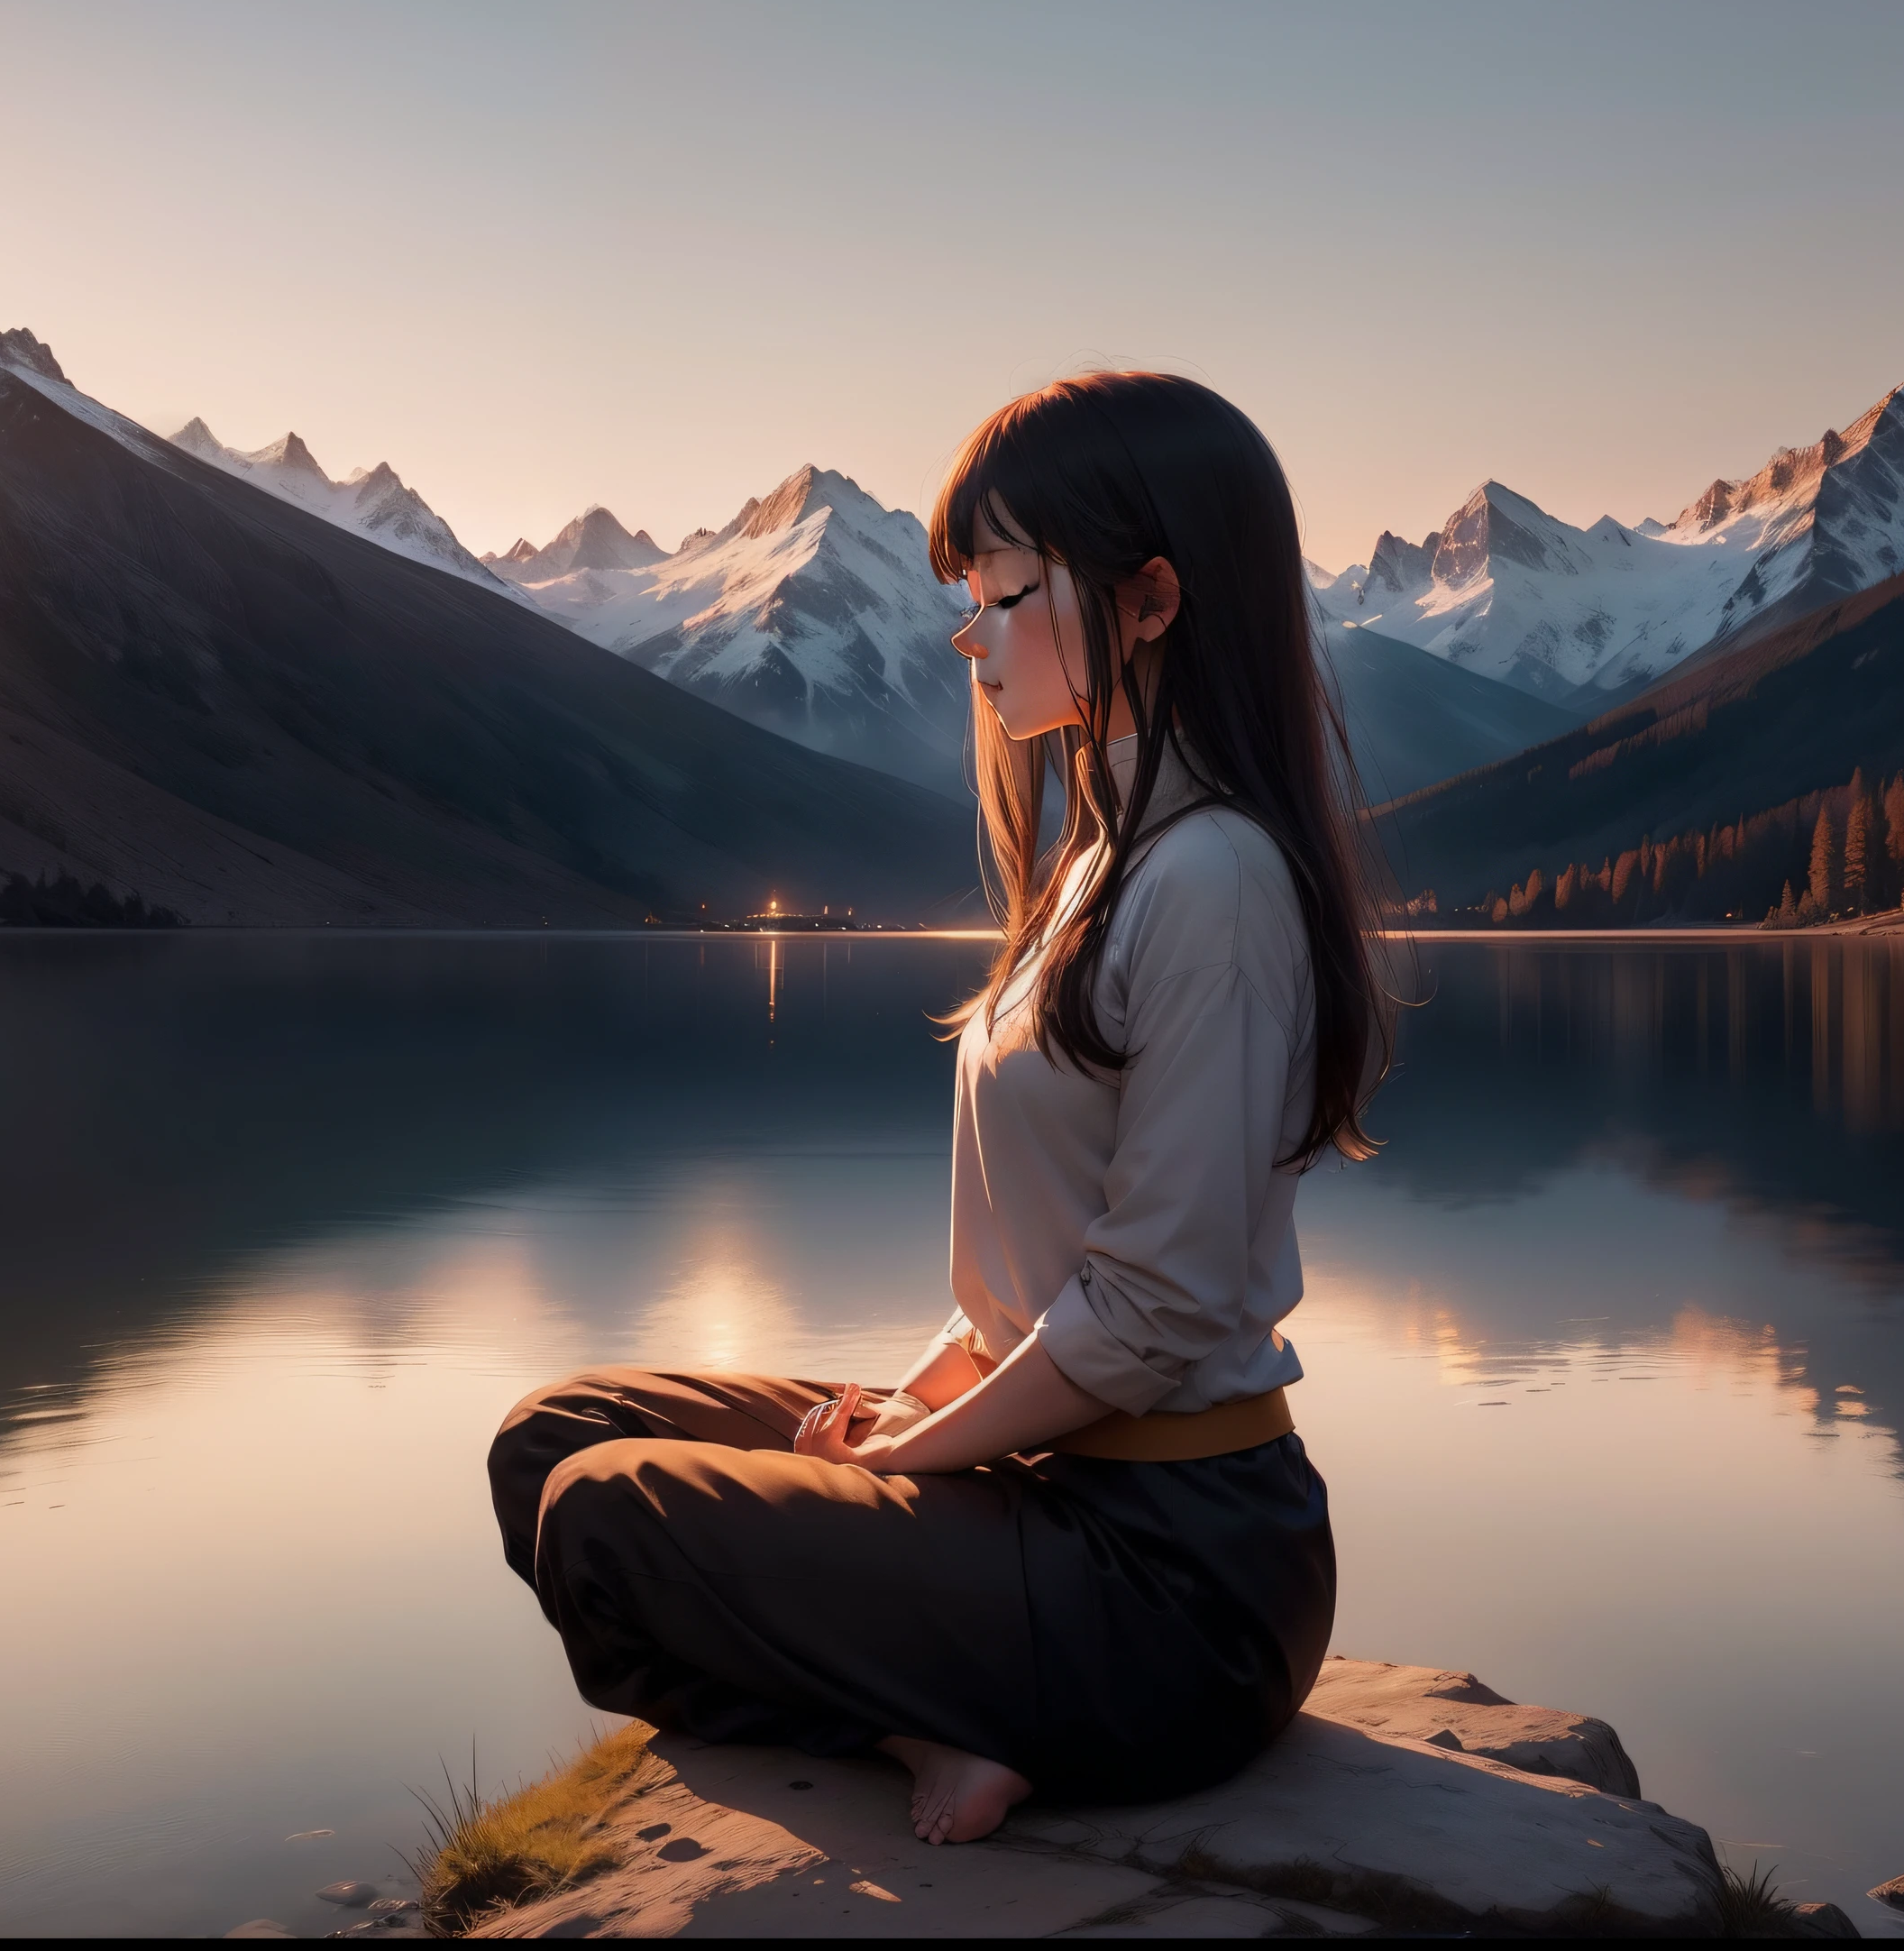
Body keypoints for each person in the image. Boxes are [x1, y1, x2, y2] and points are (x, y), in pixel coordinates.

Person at [487, 371, 1388, 1846]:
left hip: (1175, 1581)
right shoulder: (1104, 859)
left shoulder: (1216, 884)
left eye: (1005, 589)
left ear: (1151, 598)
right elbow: (1025, 1280)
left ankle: (936, 1723)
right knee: (554, 1439)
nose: (969, 632)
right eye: (966, 591)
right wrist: (920, 1396)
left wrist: (912, 1455)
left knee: (608, 1512)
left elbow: (1155, 1307)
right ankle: (940, 1705)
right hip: (1045, 1481)